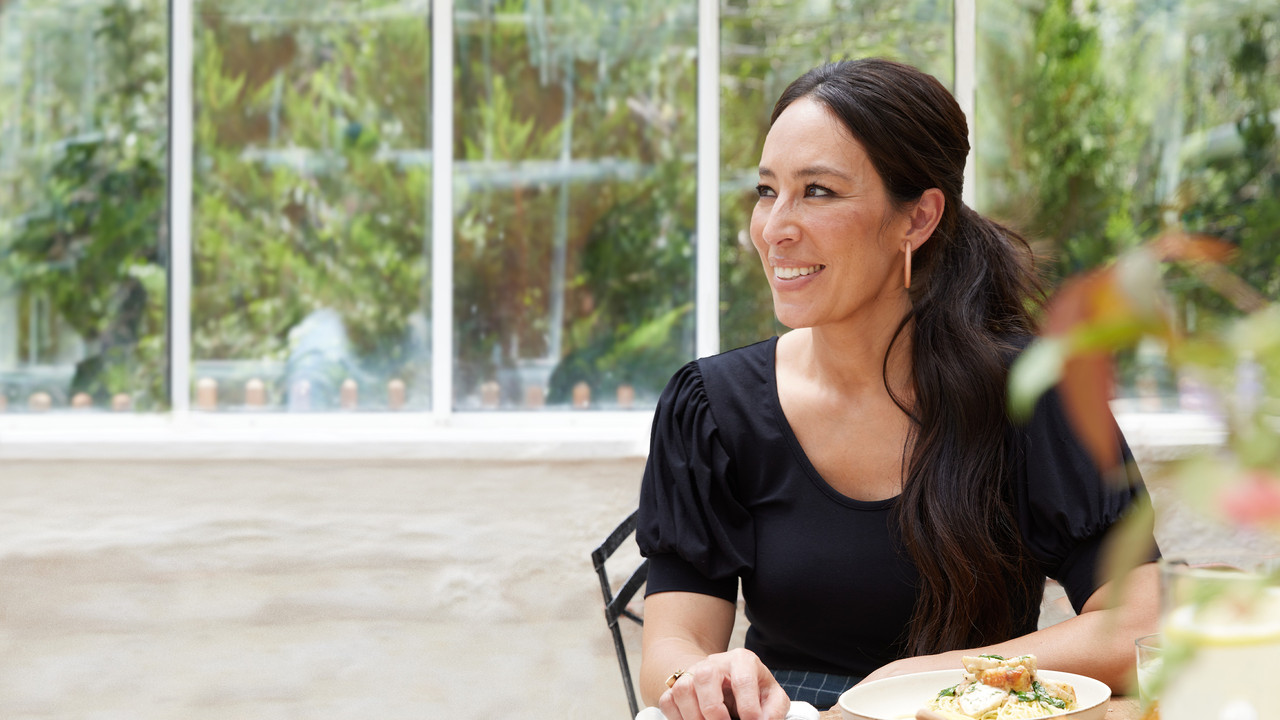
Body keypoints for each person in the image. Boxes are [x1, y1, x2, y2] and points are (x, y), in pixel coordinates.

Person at [635, 58, 1160, 720]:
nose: (774, 228)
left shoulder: (1031, 393)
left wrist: (910, 685)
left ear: (917, 219)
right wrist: (708, 677)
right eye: (767, 191)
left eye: (819, 191)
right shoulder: (711, 406)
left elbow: (1136, 623)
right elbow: (672, 641)